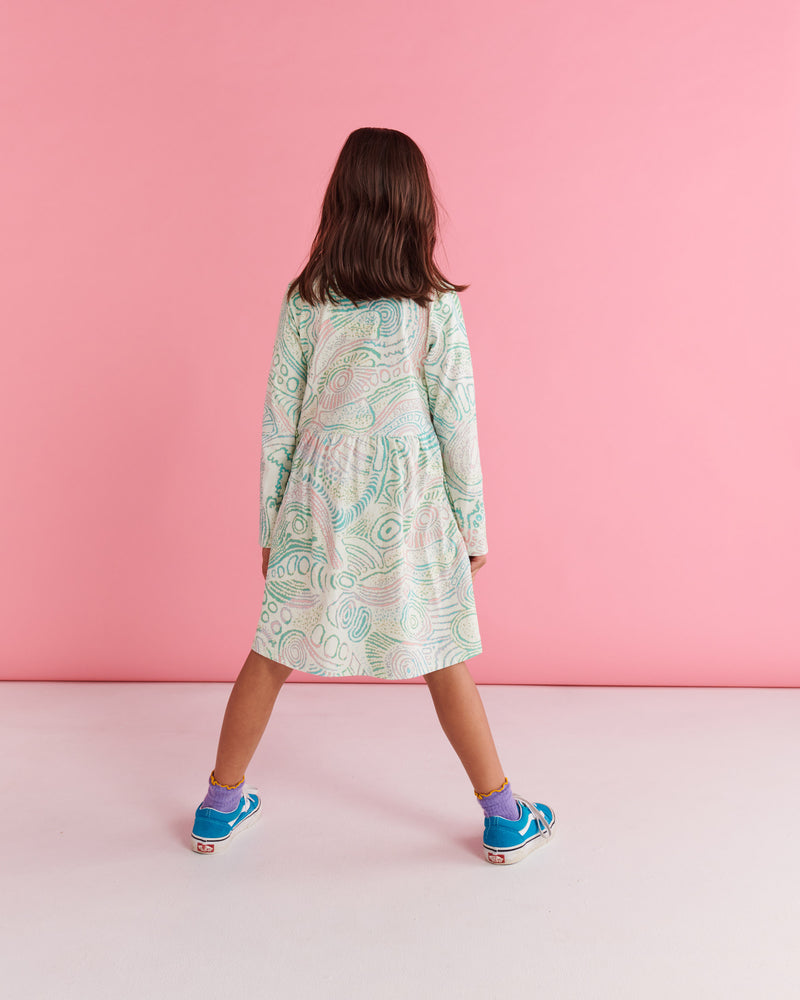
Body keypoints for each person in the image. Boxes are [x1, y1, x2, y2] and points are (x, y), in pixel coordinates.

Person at [190, 127, 555, 864]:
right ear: (417, 207)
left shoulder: (306, 299)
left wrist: (272, 525)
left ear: (340, 200)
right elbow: (456, 420)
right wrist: (471, 525)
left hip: (317, 492)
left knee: (273, 649)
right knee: (442, 650)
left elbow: (279, 420)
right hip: (408, 496)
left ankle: (218, 805)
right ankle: (503, 815)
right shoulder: (433, 304)